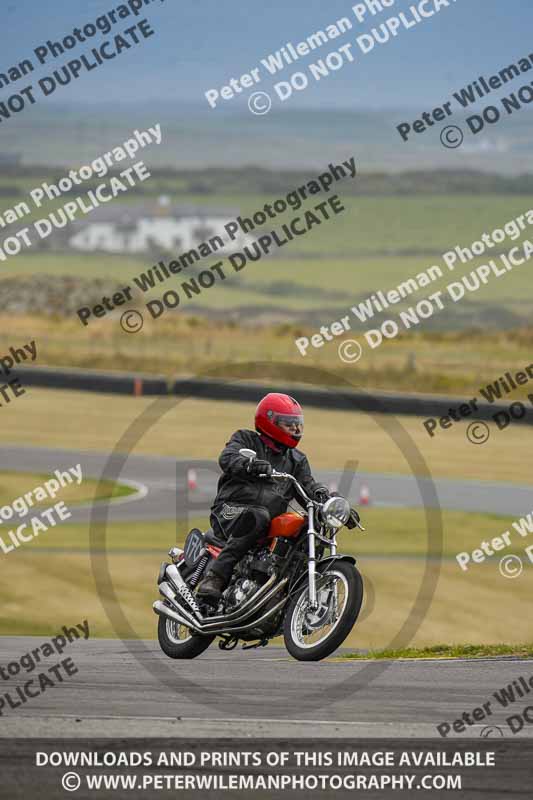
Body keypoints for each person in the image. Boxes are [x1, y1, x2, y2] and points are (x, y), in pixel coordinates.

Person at [197, 392, 359, 603]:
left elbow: (309, 486)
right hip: (230, 511)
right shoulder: (246, 439)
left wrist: (331, 503)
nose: (295, 429)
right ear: (269, 421)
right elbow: (228, 457)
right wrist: (249, 464)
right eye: (288, 424)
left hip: (266, 522)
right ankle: (215, 578)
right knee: (258, 515)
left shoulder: (297, 460)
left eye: (297, 424)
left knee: (308, 524)